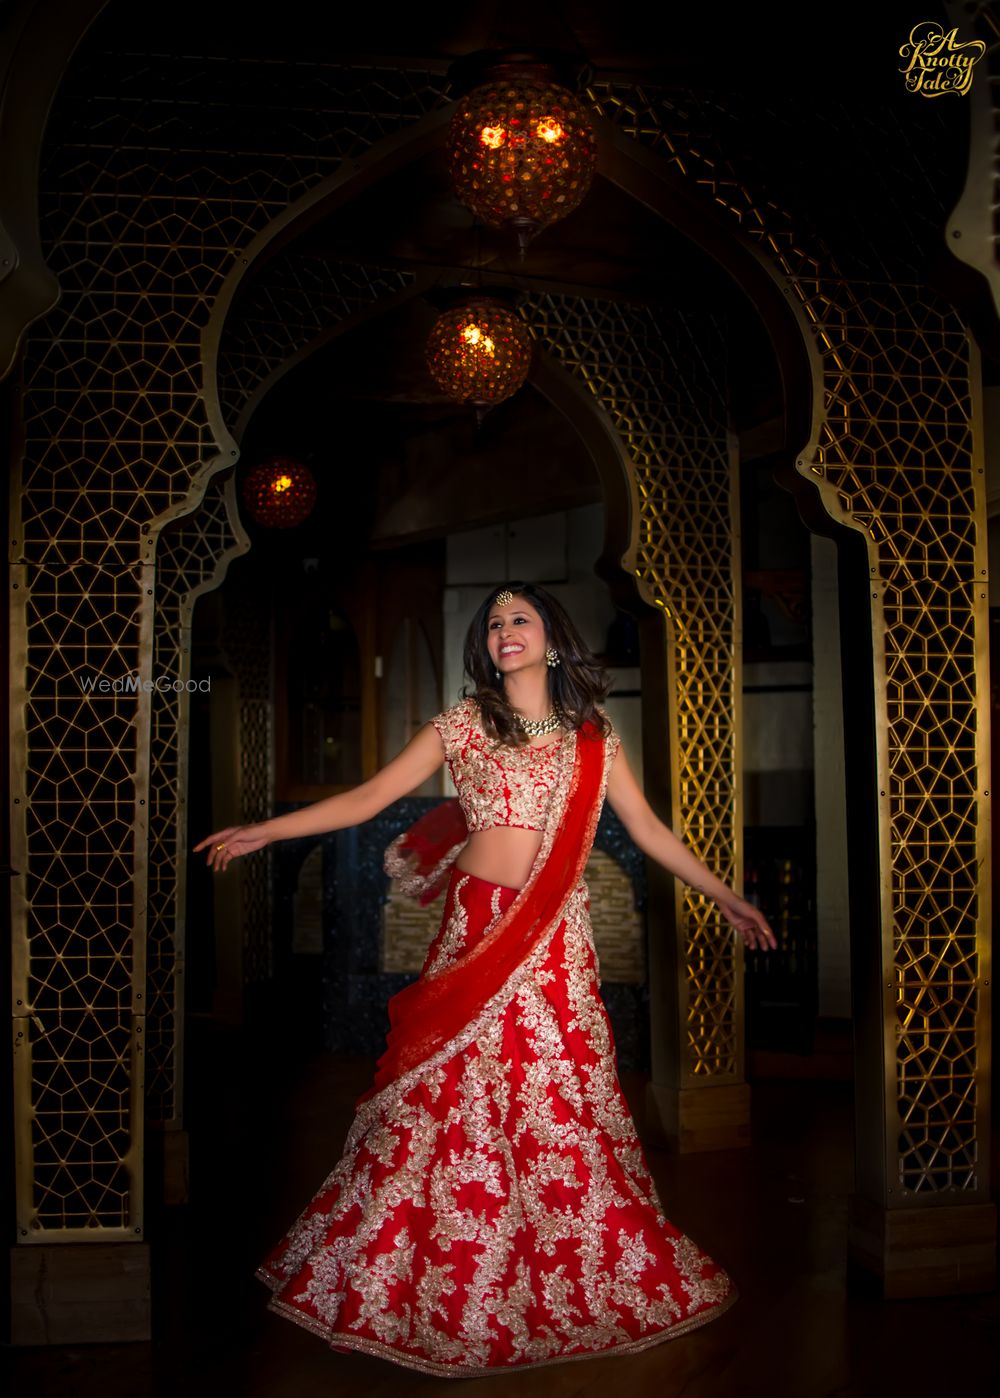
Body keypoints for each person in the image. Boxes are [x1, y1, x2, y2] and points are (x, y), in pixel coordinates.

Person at [195, 582, 776, 1377]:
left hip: (553, 939)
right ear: (486, 647)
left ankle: (561, 1273)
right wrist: (265, 829)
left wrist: (725, 897)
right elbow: (368, 799)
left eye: (520, 619)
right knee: (448, 1097)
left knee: (553, 1096)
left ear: (553, 640)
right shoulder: (461, 724)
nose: (505, 630)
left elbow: (644, 830)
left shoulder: (594, 738)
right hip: (473, 930)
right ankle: (428, 1274)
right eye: (494, 622)